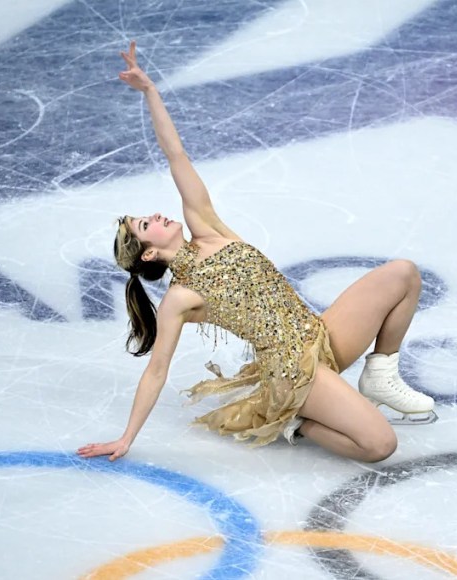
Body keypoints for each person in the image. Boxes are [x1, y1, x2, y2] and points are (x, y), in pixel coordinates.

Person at [76, 42, 436, 464]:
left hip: (318, 335)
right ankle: (298, 421)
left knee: (402, 273)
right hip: (292, 371)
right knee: (380, 445)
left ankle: (380, 375)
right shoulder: (182, 297)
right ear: (151, 254)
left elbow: (176, 155)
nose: (154, 215)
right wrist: (125, 438)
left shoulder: (207, 229)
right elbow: (157, 370)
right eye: (145, 224)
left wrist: (150, 91)